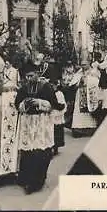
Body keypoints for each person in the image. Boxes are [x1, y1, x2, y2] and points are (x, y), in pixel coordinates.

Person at [15, 61, 65, 194]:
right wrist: (24, 103)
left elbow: (54, 104)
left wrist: (39, 102)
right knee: (27, 152)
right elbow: (17, 104)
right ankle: (25, 178)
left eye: (31, 75)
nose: (28, 79)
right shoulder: (24, 88)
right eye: (27, 76)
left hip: (42, 122)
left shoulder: (46, 87)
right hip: (28, 122)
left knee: (41, 152)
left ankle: (37, 181)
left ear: (37, 74)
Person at [71, 60, 100, 136]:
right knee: (79, 111)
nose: (83, 66)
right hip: (80, 94)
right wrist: (79, 82)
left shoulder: (94, 72)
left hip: (91, 94)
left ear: (89, 64)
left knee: (90, 111)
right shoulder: (79, 73)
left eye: (85, 64)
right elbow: (73, 83)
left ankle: (90, 128)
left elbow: (97, 82)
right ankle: (78, 128)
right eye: (82, 65)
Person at [50, 81, 67, 155]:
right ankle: (52, 147)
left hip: (58, 113)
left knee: (57, 131)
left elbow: (62, 104)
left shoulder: (59, 93)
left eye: (53, 85)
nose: (52, 87)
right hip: (52, 113)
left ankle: (56, 148)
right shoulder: (50, 93)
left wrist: (60, 111)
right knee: (52, 132)